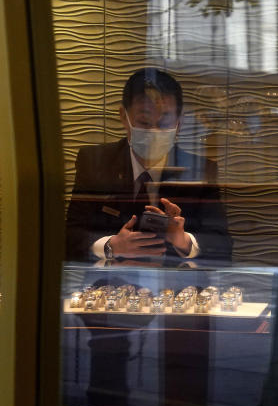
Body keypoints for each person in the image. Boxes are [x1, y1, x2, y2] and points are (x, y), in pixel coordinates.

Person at [65, 67, 232, 263]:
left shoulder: (201, 170)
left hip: (175, 287)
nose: (153, 131)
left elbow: (223, 246)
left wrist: (182, 240)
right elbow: (70, 237)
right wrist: (111, 246)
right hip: (108, 286)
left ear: (179, 122)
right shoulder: (95, 162)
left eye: (163, 123)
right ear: (123, 117)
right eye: (144, 122)